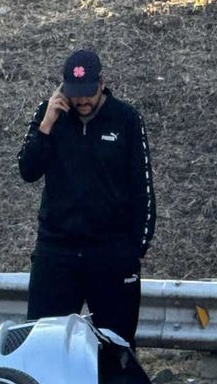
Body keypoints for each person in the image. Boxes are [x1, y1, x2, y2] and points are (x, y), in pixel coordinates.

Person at [17, 49, 155, 350]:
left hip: (110, 254)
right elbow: (27, 170)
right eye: (75, 94)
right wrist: (47, 125)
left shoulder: (126, 119)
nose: (82, 101)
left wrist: (134, 251)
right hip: (57, 251)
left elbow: (142, 189)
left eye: (88, 93)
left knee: (115, 349)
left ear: (102, 83)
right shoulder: (49, 113)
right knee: (42, 344)